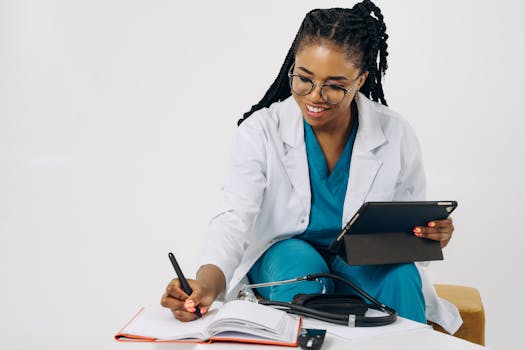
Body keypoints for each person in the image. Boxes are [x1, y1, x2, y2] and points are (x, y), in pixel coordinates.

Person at [161, 0, 462, 334]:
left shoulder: (395, 133)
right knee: (301, 266)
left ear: (360, 80)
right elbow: (234, 217)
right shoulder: (261, 131)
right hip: (285, 258)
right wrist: (206, 284)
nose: (315, 97)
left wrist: (429, 234)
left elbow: (405, 223)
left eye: (334, 86)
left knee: (401, 274)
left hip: (360, 261)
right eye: (304, 79)